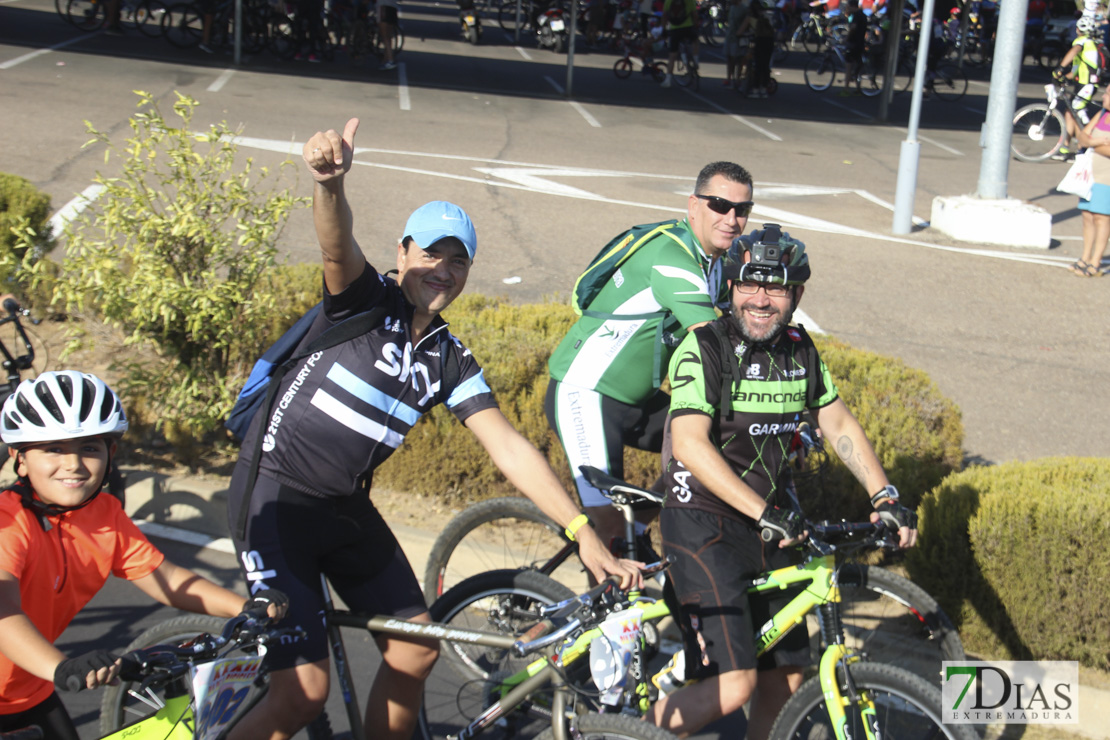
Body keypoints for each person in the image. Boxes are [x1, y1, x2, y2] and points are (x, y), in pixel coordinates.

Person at [226, 118, 642, 740]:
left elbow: (507, 445)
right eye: (430, 254)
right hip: (275, 499)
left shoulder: (450, 356)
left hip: (343, 508)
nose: (441, 270)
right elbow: (336, 247)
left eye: (457, 260)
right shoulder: (365, 301)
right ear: (402, 254)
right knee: (303, 695)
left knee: (415, 649)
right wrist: (330, 185)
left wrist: (582, 531)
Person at [647, 225, 919, 738]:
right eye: (750, 285)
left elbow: (836, 423)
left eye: (776, 288)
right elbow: (688, 443)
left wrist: (884, 496)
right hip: (703, 523)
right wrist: (763, 512)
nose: (761, 300)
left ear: (797, 295)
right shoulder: (704, 346)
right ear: (730, 287)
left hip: (770, 524)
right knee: (736, 685)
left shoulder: (800, 350)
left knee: (788, 676)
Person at [0, 371, 286, 740]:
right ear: (19, 459)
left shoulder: (103, 514)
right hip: (44, 675)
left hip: (30, 691)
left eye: (89, 448)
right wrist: (62, 666)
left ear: (110, 453)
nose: (73, 465)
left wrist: (244, 609)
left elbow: (165, 578)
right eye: (54, 448)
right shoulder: (8, 523)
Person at [546, 162, 751, 561]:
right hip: (584, 394)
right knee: (606, 529)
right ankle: (608, 617)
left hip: (634, 401)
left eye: (741, 210)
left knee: (721, 443)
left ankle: (637, 522)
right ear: (694, 205)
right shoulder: (672, 257)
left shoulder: (710, 260)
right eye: (719, 205)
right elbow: (714, 344)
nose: (731, 218)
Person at [1053, 15, 1103, 159]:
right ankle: (1065, 148)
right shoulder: (1090, 45)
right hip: (1083, 83)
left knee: (1077, 112)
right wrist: (1063, 77)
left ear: (1077, 30)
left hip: (1088, 84)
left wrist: (1060, 68)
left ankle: (1086, 146)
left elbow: (1073, 51)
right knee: (1070, 113)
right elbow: (1075, 71)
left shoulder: (1083, 41)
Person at [1072, 84, 1110, 276]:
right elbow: (1081, 137)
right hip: (1089, 176)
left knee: (1101, 218)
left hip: (1107, 178)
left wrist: (1091, 144)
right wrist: (1096, 142)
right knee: (1087, 215)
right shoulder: (1102, 114)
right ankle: (1085, 257)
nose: (1104, 96)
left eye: (1108, 93)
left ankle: (1096, 261)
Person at [661, 0, 699, 87]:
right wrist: (696, 26)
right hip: (688, 28)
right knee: (695, 41)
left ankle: (668, 80)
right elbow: (695, 15)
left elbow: (664, 16)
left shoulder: (669, 1)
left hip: (674, 29)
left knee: (672, 55)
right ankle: (696, 60)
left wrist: (664, 29)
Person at [724, 0, 752, 87]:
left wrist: (741, 32)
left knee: (738, 59)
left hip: (737, 38)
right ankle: (729, 78)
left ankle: (737, 79)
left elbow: (747, 22)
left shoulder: (744, 9)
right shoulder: (732, 8)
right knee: (729, 58)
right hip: (729, 35)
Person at [377, 0, 400, 70]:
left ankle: (390, 60)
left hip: (383, 6)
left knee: (384, 36)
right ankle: (386, 59)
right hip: (393, 7)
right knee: (388, 35)